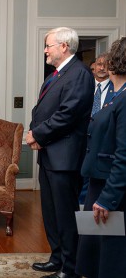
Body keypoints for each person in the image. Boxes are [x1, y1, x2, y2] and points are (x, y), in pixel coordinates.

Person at [26, 27, 94, 278]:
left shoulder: (80, 74)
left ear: (63, 46)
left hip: (65, 158)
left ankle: (70, 268)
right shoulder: (56, 74)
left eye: (48, 45)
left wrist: (38, 135)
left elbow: (68, 114)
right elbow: (42, 109)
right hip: (49, 154)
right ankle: (56, 258)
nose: (45, 50)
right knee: (51, 213)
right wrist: (36, 133)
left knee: (65, 215)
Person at [75, 37, 126, 278]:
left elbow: (123, 154)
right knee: (95, 253)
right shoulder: (118, 95)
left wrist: (107, 199)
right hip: (98, 181)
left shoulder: (124, 99)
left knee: (111, 255)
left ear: (116, 63)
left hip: (110, 189)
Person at [79, 53, 115, 205]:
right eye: (99, 64)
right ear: (93, 68)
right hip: (81, 139)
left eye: (106, 65)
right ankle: (79, 211)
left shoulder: (117, 89)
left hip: (103, 142)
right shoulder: (83, 85)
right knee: (81, 179)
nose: (102, 67)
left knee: (96, 184)